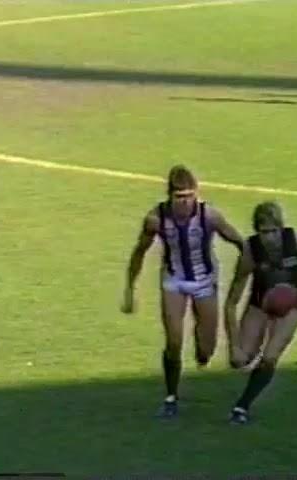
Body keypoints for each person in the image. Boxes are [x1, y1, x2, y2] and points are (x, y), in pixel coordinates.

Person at [121, 165, 243, 418]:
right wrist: (130, 289)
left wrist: (258, 263)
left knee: (206, 350)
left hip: (204, 280)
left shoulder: (209, 215)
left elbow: (237, 239)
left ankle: (201, 344)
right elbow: (139, 252)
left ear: (196, 193)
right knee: (174, 341)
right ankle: (171, 396)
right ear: (170, 196)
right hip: (174, 280)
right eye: (179, 197)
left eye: (189, 196)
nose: (185, 202)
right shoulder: (156, 219)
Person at [223, 201, 297, 425]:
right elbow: (231, 302)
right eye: (263, 232)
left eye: (273, 231)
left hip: (291, 306)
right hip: (259, 305)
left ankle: (242, 406)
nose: (269, 237)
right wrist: (233, 346)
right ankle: (249, 353)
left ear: (281, 228)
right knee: (240, 361)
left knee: (269, 358)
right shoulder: (251, 252)